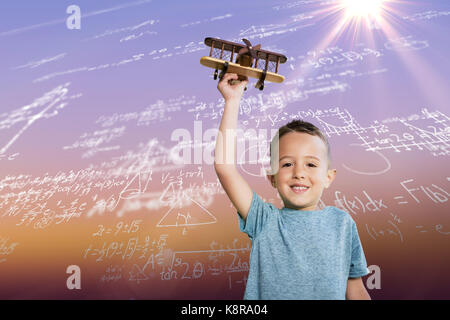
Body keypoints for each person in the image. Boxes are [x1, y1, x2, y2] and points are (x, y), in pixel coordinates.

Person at [214, 73, 371, 300]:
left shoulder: (342, 224)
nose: (299, 173)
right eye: (287, 163)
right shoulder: (263, 220)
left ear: (329, 177)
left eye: (311, 164)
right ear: (273, 178)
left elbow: (355, 290)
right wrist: (232, 100)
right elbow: (225, 167)